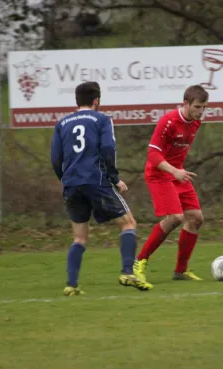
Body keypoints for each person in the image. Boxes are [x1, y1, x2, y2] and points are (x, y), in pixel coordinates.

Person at [50, 81, 153, 295]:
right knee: (128, 224)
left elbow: (55, 158)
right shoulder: (102, 119)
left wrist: (66, 178)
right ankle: (127, 272)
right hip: (95, 180)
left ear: (77, 101)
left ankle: (71, 285)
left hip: (71, 184)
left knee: (79, 237)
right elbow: (108, 148)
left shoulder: (62, 123)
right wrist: (114, 177)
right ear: (96, 100)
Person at [133, 85, 209, 282]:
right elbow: (152, 154)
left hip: (178, 174)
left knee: (195, 218)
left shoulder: (195, 122)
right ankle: (139, 261)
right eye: (197, 107)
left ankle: (180, 271)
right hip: (159, 174)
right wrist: (174, 171)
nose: (201, 112)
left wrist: (178, 172)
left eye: (204, 108)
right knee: (176, 217)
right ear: (185, 104)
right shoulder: (169, 121)